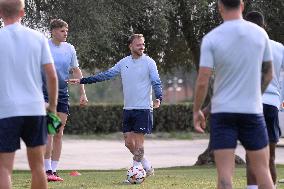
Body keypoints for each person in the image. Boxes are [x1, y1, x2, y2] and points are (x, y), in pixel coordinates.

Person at [193, 0, 275, 188]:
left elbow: (203, 79)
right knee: (263, 172)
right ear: (242, 5)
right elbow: (269, 73)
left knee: (224, 177)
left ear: (220, 7)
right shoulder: (260, 34)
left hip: (223, 114)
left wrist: (197, 110)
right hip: (252, 112)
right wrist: (256, 93)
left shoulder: (212, 38)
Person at [68, 34, 163, 181]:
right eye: (138, 44)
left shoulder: (149, 62)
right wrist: (82, 80)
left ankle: (136, 174)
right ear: (130, 46)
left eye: (143, 44)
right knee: (128, 142)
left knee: (139, 142)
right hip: (128, 109)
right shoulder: (123, 62)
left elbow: (156, 82)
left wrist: (158, 97)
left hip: (143, 108)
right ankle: (146, 165)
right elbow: (105, 75)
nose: (142, 47)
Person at [0, 0, 58, 188]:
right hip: (35, 109)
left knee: (4, 168)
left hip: (6, 111)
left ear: (0, 12)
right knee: (38, 166)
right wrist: (53, 107)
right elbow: (51, 75)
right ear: (23, 12)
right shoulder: (37, 37)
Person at [42, 19, 88, 182]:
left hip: (62, 94)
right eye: (62, 31)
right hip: (46, 94)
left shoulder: (70, 48)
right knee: (50, 130)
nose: (65, 33)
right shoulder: (44, 46)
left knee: (59, 132)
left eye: (66, 31)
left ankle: (54, 170)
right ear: (53, 31)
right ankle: (46, 170)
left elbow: (76, 71)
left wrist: (83, 93)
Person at [245, 11, 284, 189]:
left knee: (250, 155)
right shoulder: (279, 47)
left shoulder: (244, 47)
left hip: (252, 103)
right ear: (264, 25)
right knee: (271, 157)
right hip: (272, 105)